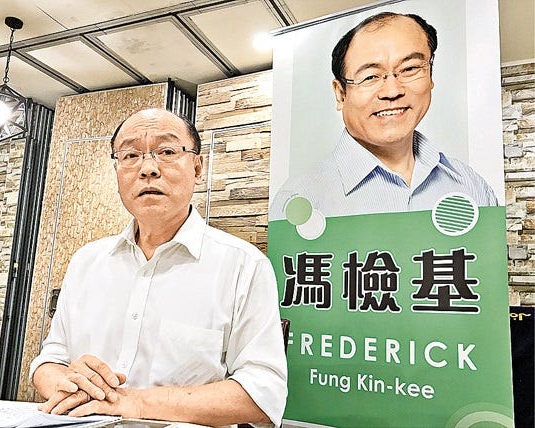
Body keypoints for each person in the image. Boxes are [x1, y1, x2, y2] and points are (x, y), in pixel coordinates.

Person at [30, 108, 288, 427]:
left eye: (167, 152)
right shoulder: (86, 261)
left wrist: (135, 402)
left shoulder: (243, 265)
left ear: (197, 168)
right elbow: (48, 363)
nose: (148, 169)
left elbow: (263, 393)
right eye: (131, 155)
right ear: (117, 170)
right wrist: (70, 385)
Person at [270, 12, 498, 220]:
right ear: (341, 94)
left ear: (430, 76)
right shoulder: (300, 200)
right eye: (370, 76)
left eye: (409, 69)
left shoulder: (471, 186)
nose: (392, 91)